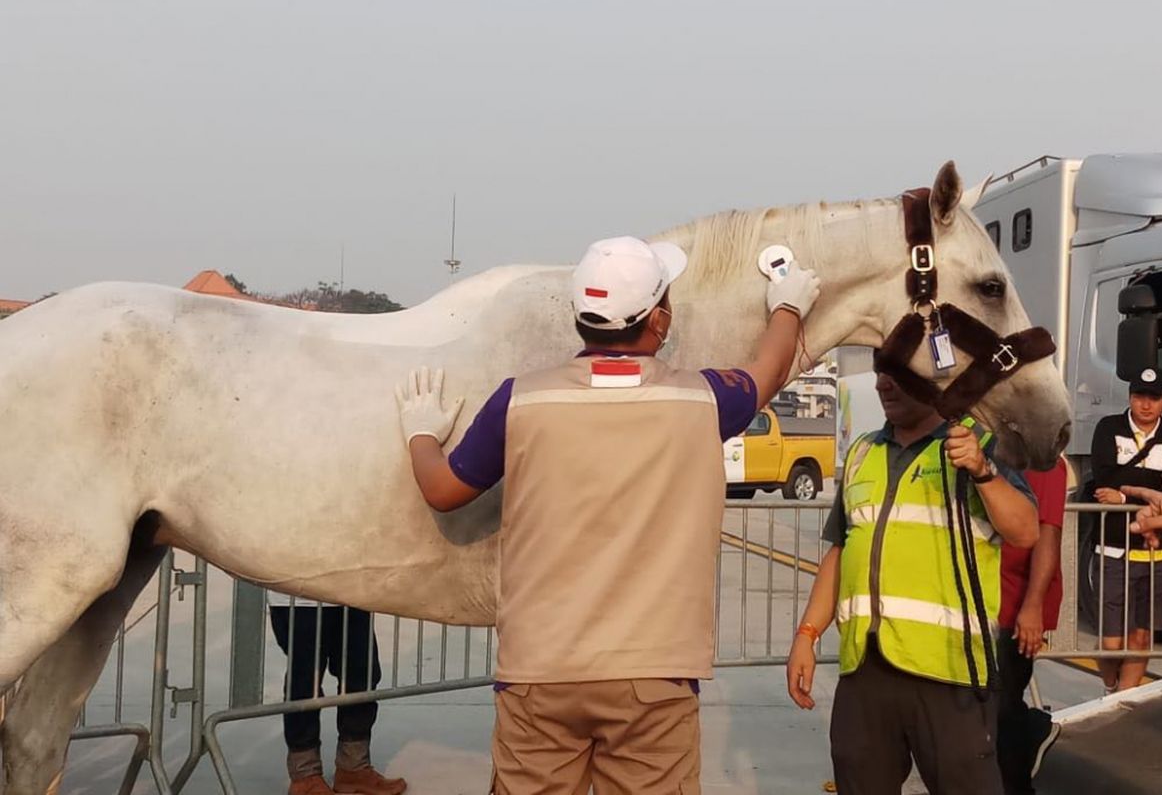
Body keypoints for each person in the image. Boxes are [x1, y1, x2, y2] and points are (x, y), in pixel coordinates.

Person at [395, 235, 821, 793]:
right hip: (654, 675)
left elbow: (443, 489)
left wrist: (421, 432)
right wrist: (786, 305)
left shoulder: (519, 400)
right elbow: (768, 370)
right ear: (659, 320)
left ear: (579, 317)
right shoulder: (703, 399)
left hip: (540, 675)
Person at [785, 368, 1038, 795]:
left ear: (933, 379)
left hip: (948, 673)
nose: (884, 384)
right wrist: (807, 634)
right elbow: (842, 549)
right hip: (866, 670)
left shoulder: (977, 445)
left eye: (898, 374)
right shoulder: (864, 452)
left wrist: (982, 470)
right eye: (880, 372)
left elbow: (1025, 530)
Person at [1088, 367, 1162, 693]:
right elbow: (1102, 478)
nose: (1146, 405)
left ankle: (1121, 702)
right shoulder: (1108, 428)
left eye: (1154, 398)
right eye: (1139, 396)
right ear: (1130, 397)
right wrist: (1156, 479)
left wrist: (1122, 493)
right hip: (1114, 549)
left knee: (1142, 636)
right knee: (1111, 642)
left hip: (1157, 552)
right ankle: (1110, 686)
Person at [267, 592, 407, 795]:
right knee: (307, 682)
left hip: (349, 592)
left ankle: (354, 767)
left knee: (362, 673)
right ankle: (305, 776)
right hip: (298, 596)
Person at [996, 459, 1067, 794]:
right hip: (980, 603)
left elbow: (1048, 533)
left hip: (1016, 607)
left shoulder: (1044, 461)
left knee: (1002, 706)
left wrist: (1033, 606)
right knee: (983, 708)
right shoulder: (981, 449)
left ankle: (1019, 779)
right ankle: (1033, 728)